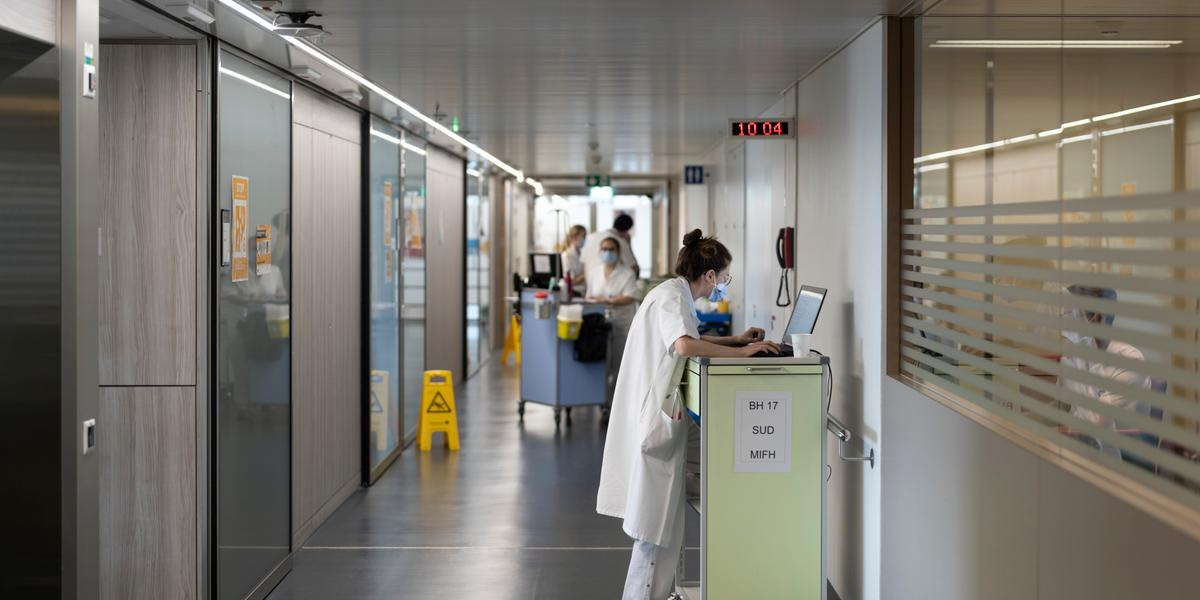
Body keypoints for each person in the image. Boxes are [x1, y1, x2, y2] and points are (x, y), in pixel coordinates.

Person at [596, 228, 779, 600]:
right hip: (655, 421)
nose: (724, 284)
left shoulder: (675, 294)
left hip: (662, 415)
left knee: (662, 522)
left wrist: (737, 340)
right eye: (724, 277)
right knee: (654, 526)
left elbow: (690, 337)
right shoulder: (670, 297)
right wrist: (744, 355)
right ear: (709, 276)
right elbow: (683, 345)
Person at [1059, 285, 1153, 460]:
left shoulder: (1130, 362)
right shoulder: (1077, 355)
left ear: (1096, 318)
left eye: (1068, 315)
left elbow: (1095, 424)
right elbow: (1063, 407)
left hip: (1118, 463)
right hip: (1079, 451)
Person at [585, 236, 640, 406]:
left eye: (611, 249)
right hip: (599, 326)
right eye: (604, 249)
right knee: (601, 364)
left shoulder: (627, 273)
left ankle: (618, 405)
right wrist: (598, 300)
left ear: (617, 252)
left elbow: (630, 297)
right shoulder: (594, 273)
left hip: (621, 324)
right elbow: (589, 296)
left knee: (619, 365)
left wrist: (607, 300)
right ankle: (602, 401)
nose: (607, 253)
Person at [582, 213, 639, 277]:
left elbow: (583, 263)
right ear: (626, 230)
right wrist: (629, 244)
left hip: (590, 282)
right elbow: (634, 268)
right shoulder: (620, 241)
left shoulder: (590, 237)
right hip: (612, 282)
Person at [560, 224, 588, 288]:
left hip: (584, 290)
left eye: (585, 236)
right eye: (583, 236)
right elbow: (571, 282)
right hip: (575, 291)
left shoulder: (582, 253)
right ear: (574, 237)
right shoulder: (567, 255)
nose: (585, 239)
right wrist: (587, 272)